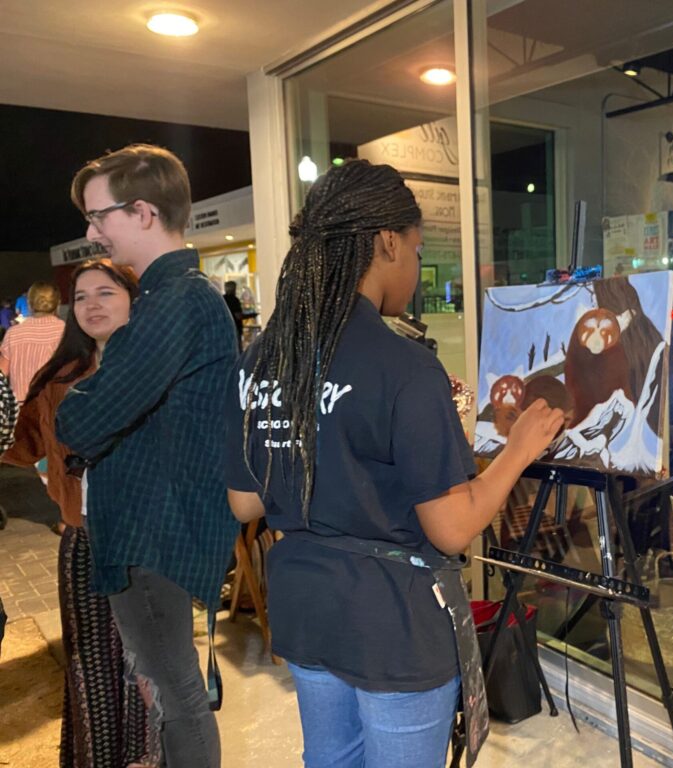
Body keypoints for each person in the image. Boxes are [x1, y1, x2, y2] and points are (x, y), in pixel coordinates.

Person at [223, 160, 563, 768]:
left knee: (330, 759)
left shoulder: (263, 357)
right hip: (393, 625)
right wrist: (519, 449)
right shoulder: (402, 365)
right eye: (414, 247)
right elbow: (453, 527)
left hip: (305, 607)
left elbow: (245, 503)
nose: (414, 264)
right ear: (385, 243)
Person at [55, 144, 239, 768]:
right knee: (165, 689)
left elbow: (82, 421)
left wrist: (82, 405)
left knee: (174, 694)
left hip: (153, 536)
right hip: (151, 531)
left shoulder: (178, 301)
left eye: (98, 215)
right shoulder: (171, 299)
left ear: (141, 212)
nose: (91, 231)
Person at [2, 259, 158, 768]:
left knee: (149, 670)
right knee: (91, 668)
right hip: (85, 540)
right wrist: (56, 478)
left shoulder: (159, 374)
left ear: (133, 301)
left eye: (106, 293)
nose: (92, 305)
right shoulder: (58, 375)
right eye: (83, 296)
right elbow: (22, 445)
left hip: (146, 541)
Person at [0, 282, 65, 402]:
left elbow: (2, 374)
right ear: (58, 304)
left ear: (29, 304)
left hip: (21, 408)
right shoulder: (65, 331)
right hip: (54, 406)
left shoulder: (12, 333)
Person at [222, 280, 245, 348]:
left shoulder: (222, 299)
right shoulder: (235, 300)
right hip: (235, 328)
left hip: (225, 329)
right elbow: (238, 316)